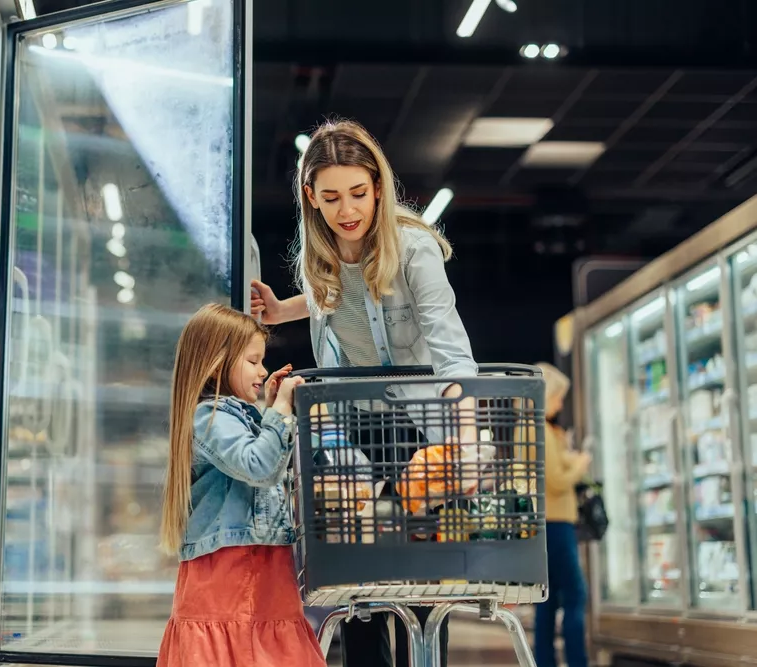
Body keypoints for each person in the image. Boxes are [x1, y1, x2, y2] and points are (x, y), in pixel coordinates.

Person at [250, 118, 478, 667]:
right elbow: (332, 295)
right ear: (312, 198)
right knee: (357, 581)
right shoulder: (321, 253)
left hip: (422, 419)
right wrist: (283, 311)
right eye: (330, 198)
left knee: (426, 579)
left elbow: (449, 346)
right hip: (353, 424)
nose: (347, 209)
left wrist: (465, 437)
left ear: (378, 185)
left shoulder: (414, 248)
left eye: (358, 193)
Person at [156, 303, 326, 667]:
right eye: (253, 361)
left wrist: (271, 411)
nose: (263, 371)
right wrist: (279, 411)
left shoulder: (241, 419)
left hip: (263, 568)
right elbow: (259, 467)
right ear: (218, 363)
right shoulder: (209, 416)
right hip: (228, 573)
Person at [532, 362, 591, 667]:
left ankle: (545, 661)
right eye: (558, 397)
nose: (560, 403)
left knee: (548, 599)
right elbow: (554, 481)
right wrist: (579, 465)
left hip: (545, 523)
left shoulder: (531, 427)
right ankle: (578, 661)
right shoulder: (540, 428)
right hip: (556, 524)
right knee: (576, 594)